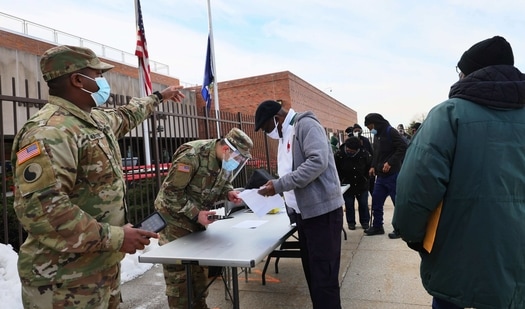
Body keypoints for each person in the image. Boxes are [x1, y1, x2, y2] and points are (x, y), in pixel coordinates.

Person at [11, 45, 185, 308]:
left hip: (100, 270)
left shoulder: (93, 121)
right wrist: (117, 237)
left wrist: (160, 96)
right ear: (78, 80)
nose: (104, 82)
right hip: (63, 282)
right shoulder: (49, 132)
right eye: (98, 74)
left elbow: (128, 114)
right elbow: (43, 211)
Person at [393, 36, 525, 309]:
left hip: (457, 258)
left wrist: (412, 234)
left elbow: (416, 186)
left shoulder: (449, 114)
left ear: (472, 72)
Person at [255, 100, 344, 309]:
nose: (268, 134)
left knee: (324, 279)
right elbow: (289, 172)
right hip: (304, 217)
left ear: (276, 119)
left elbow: (317, 162)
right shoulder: (286, 134)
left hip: (322, 215)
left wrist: (279, 185)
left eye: (267, 128)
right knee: (314, 277)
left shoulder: (305, 125)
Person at [154, 127, 253, 309]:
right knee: (180, 281)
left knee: (199, 276)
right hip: (174, 224)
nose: (237, 162)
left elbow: (222, 182)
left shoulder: (224, 161)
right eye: (238, 157)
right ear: (226, 149)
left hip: (197, 223)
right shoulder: (192, 155)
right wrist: (195, 213)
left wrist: (228, 192)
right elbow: (170, 193)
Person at [363, 113, 407, 238]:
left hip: (393, 175)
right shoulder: (376, 136)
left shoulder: (390, 131)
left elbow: (403, 147)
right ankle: (377, 227)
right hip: (380, 177)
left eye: (371, 127)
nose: (370, 130)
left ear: (376, 123)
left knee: (397, 203)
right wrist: (372, 166)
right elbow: (376, 153)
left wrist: (390, 162)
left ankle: (400, 229)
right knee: (376, 201)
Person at [334, 136, 372, 230]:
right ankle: (351, 222)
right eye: (348, 149)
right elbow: (335, 170)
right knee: (349, 205)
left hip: (361, 183)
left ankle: (365, 222)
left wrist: (367, 179)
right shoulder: (339, 154)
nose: (349, 152)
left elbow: (369, 167)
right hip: (346, 184)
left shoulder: (364, 154)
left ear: (357, 149)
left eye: (352, 151)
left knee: (363, 204)